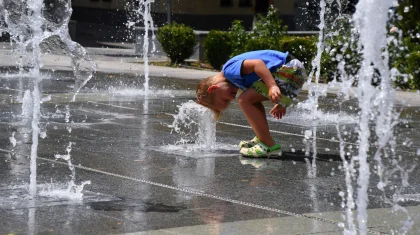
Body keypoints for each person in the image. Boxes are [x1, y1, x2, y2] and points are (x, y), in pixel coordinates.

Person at [196, 50, 306, 158]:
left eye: (226, 100)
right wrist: (282, 103)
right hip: (292, 72)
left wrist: (272, 85)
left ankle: (268, 145)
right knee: (251, 100)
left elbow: (257, 64)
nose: (232, 98)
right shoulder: (237, 81)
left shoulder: (229, 70)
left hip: (288, 68)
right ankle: (262, 137)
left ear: (214, 89)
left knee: (244, 100)